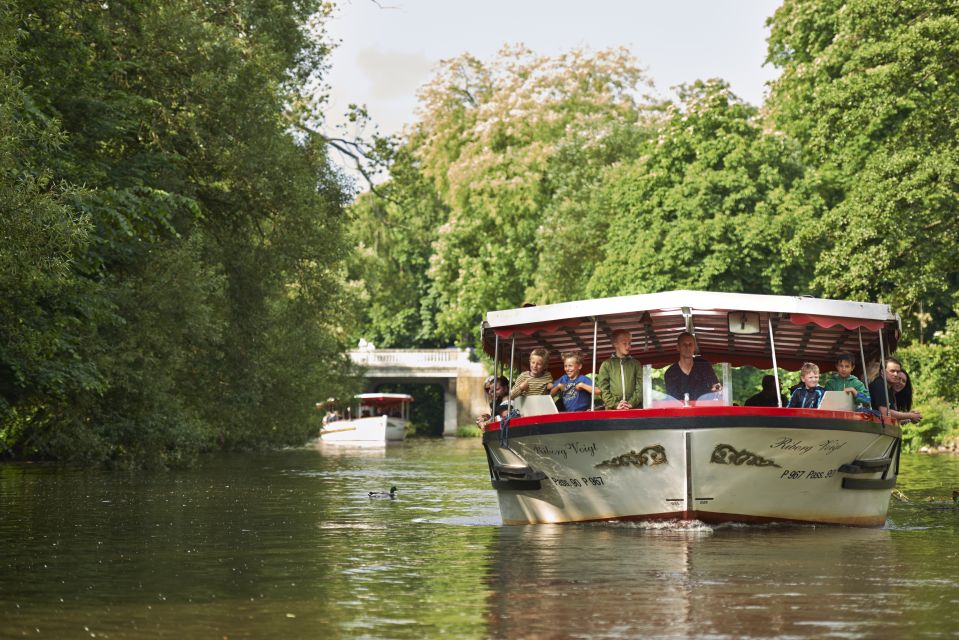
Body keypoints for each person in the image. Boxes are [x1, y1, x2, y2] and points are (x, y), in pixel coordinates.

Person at [664, 332, 721, 402]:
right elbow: (673, 400)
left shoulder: (703, 365)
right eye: (684, 345)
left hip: (704, 409)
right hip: (682, 411)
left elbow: (715, 386)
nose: (687, 347)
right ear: (678, 347)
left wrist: (718, 388)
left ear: (694, 347)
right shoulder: (670, 373)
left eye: (690, 345)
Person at [597, 329, 642, 410]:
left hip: (634, 409)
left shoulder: (636, 364)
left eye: (629, 343)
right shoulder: (606, 364)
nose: (628, 346)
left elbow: (641, 386)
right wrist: (615, 404)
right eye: (625, 343)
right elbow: (603, 389)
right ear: (615, 344)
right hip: (612, 410)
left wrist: (631, 403)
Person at [869, 356, 922, 423]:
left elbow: (892, 418)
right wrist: (910, 415)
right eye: (892, 371)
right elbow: (885, 413)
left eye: (897, 372)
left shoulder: (887, 388)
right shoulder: (879, 384)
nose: (896, 374)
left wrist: (910, 417)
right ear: (882, 372)